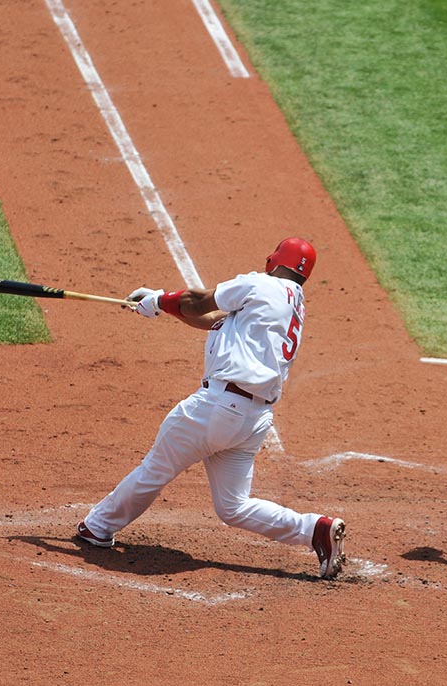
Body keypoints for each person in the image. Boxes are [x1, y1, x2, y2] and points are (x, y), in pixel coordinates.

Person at [75, 237, 347, 579]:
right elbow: (213, 318)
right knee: (234, 506)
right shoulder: (291, 304)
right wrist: (159, 305)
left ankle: (97, 527)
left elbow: (199, 301)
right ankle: (314, 530)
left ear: (278, 260)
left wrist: (161, 300)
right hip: (252, 420)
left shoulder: (261, 284)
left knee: (156, 468)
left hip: (217, 408)